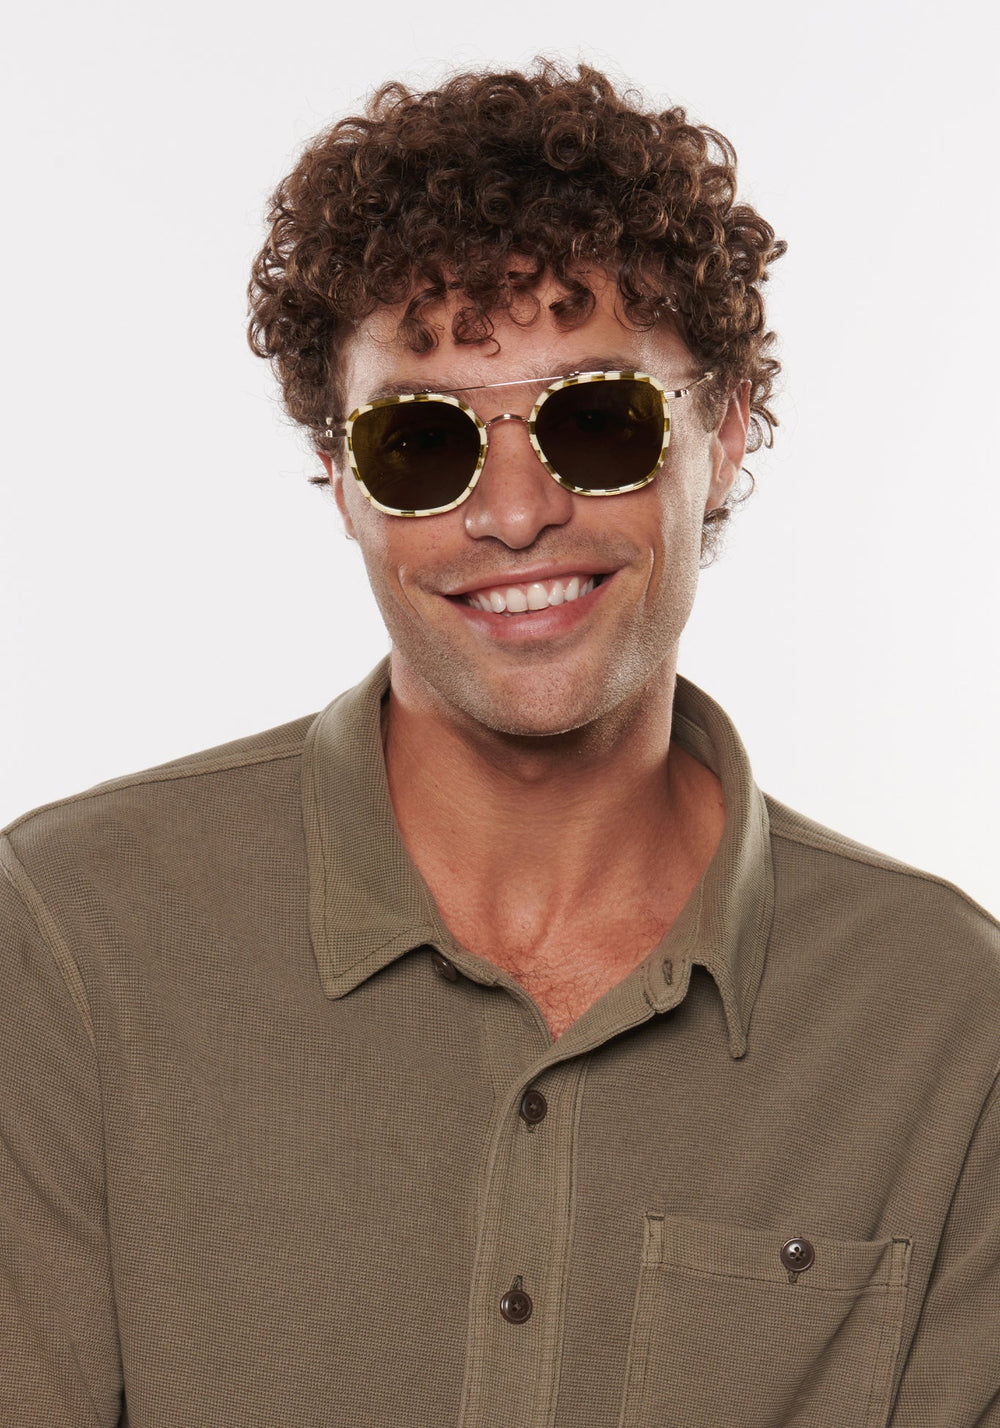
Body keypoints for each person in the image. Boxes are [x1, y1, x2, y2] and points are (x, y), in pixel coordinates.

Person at [2, 61, 998, 1428]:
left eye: (598, 420)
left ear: (724, 433)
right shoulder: (71, 936)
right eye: (423, 442)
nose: (518, 514)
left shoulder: (945, 1023)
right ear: (341, 479)